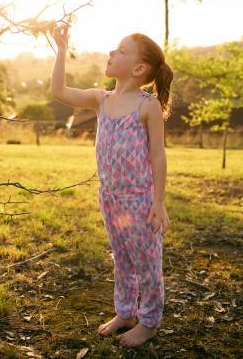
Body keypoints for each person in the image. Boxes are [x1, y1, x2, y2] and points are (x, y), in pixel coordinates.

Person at [50, 23, 173, 348]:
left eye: (120, 50)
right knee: (122, 258)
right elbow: (59, 91)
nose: (110, 52)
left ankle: (149, 321)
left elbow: (158, 157)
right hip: (111, 199)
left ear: (138, 68)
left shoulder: (147, 106)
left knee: (146, 262)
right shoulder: (100, 99)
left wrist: (158, 203)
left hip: (140, 201)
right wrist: (62, 49)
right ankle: (126, 312)